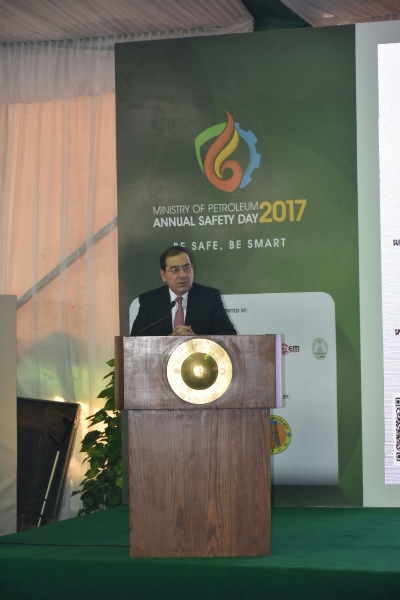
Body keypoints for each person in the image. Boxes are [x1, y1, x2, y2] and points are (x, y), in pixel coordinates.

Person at [130, 245, 237, 336]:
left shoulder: (210, 298)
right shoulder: (149, 301)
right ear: (163, 275)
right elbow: (135, 341)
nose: (182, 275)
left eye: (186, 268)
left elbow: (230, 337)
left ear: (192, 269)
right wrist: (169, 340)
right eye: (175, 270)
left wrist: (196, 340)